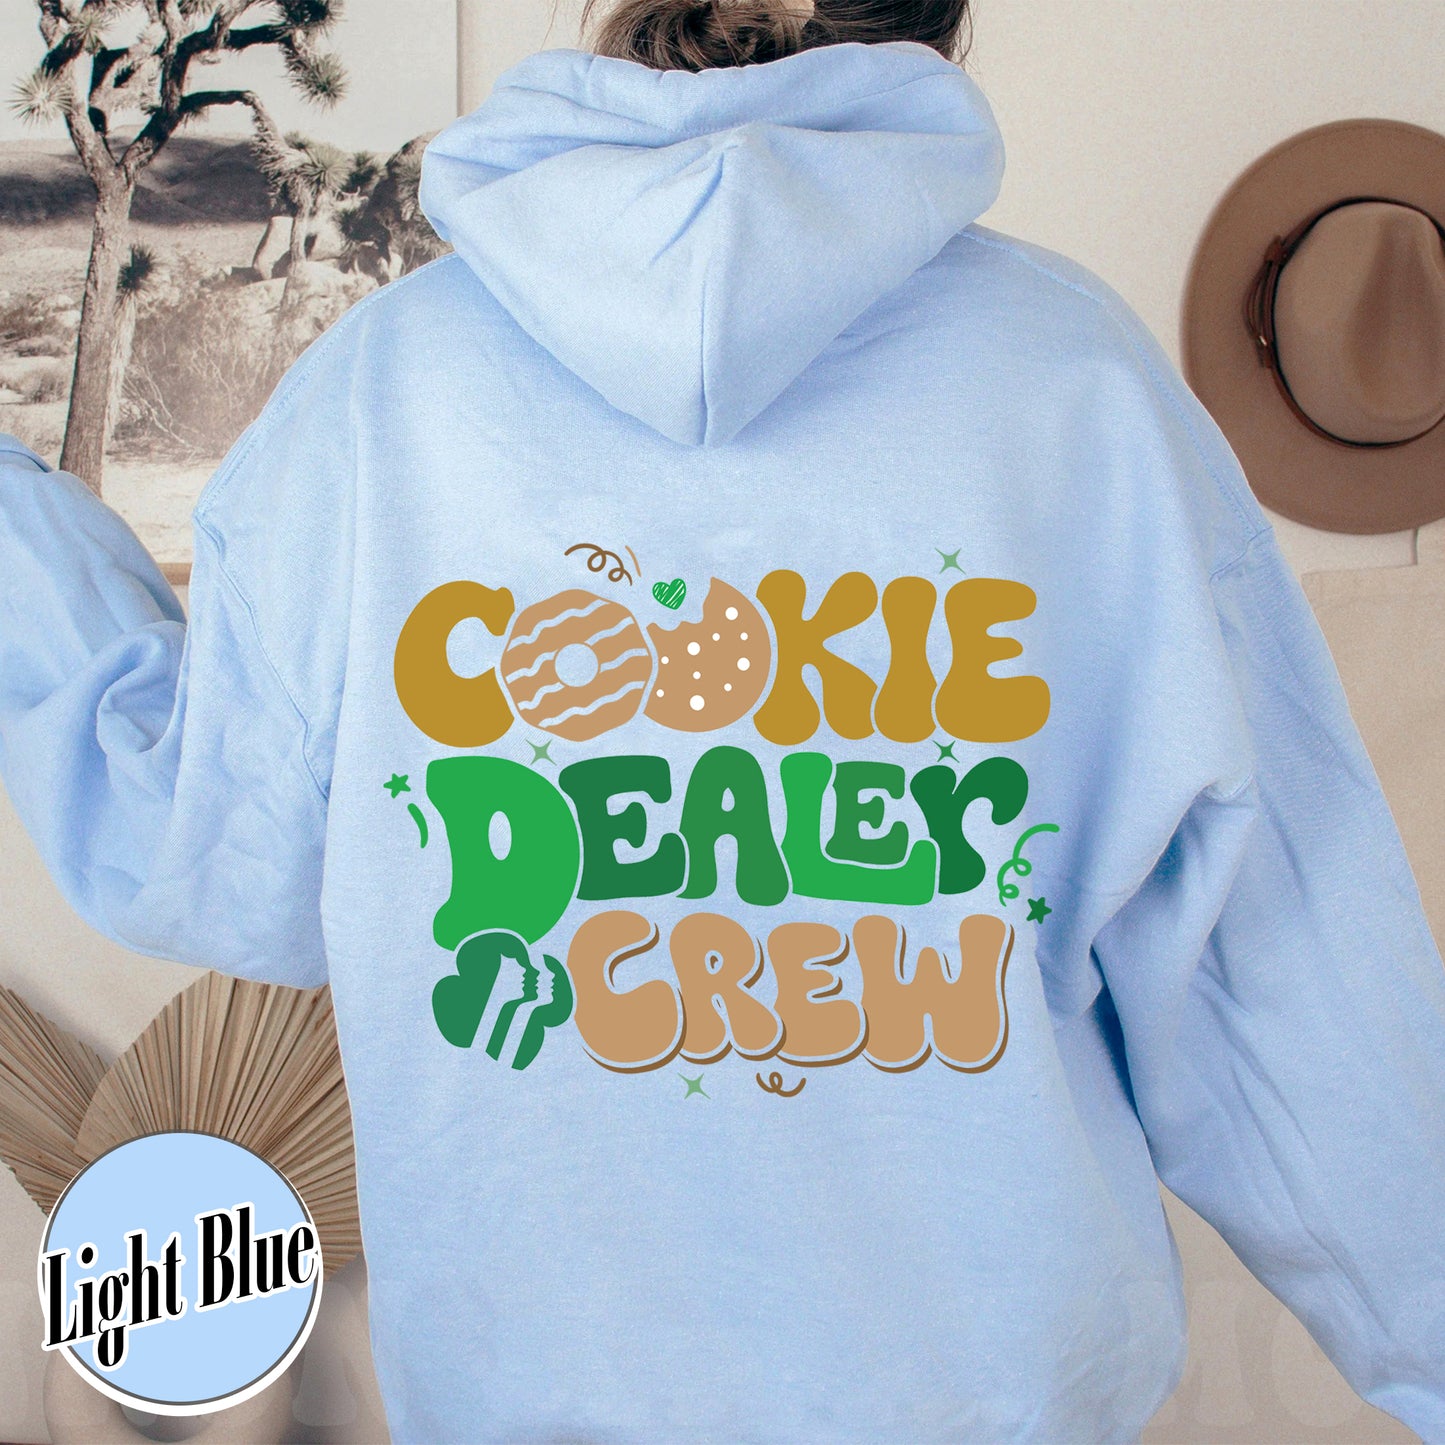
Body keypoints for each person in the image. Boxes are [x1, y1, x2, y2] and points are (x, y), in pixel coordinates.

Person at [2, 0, 1443, 1439]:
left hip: (537, 1399)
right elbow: (1288, 979)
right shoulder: (1082, 390)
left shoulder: (381, 398)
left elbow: (211, 855)